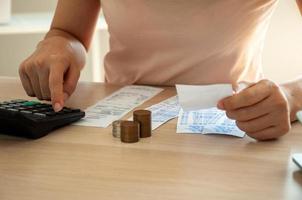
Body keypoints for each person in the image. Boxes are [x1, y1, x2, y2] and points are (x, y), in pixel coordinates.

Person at [18, 0, 302, 140]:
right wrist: (57, 45)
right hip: (118, 137)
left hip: (236, 134)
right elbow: (68, 33)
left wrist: (292, 97)